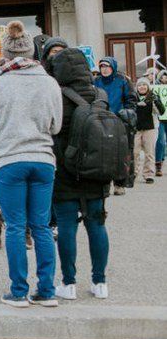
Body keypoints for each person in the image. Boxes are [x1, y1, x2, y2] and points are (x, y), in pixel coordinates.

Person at [0, 21, 63, 308]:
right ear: (33, 52)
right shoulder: (49, 83)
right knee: (40, 227)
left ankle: (18, 291)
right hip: (42, 158)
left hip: (9, 159)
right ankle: (47, 290)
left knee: (15, 227)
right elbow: (56, 125)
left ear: (5, 53)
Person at [45, 48, 111, 301]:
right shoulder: (100, 94)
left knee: (66, 226)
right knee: (97, 224)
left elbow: (51, 129)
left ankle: (68, 283)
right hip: (97, 169)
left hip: (65, 169)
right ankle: (100, 282)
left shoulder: (57, 97)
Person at [94, 57, 137, 195]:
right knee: (102, 154)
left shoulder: (122, 80)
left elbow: (131, 99)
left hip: (119, 121)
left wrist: (127, 112)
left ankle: (120, 183)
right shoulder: (95, 81)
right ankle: (104, 184)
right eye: (102, 66)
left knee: (120, 154)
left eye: (107, 66)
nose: (105, 69)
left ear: (113, 67)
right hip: (101, 121)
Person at [134, 77, 164, 184]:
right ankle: (134, 172)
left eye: (144, 85)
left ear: (148, 86)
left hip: (150, 128)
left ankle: (148, 174)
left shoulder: (153, 96)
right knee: (135, 151)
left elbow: (161, 111)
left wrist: (156, 101)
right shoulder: (134, 97)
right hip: (136, 128)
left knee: (149, 152)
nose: (142, 87)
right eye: (140, 85)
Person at [156, 69, 167, 177]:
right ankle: (158, 164)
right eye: (164, 76)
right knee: (161, 142)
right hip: (160, 119)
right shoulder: (156, 88)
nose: (166, 78)